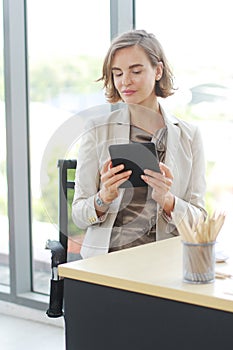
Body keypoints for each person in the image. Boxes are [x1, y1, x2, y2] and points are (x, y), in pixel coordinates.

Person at [72, 29, 207, 259]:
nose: (125, 81)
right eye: (117, 73)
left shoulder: (189, 136)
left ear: (158, 71)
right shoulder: (97, 131)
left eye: (135, 71)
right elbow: (79, 216)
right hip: (108, 260)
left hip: (163, 261)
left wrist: (168, 200)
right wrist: (102, 198)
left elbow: (200, 219)